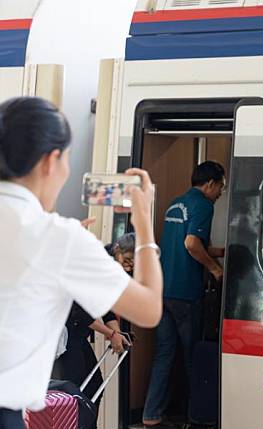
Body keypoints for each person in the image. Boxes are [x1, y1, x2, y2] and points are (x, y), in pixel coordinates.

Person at [0, 96, 162, 429]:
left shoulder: (54, 234)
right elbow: (147, 308)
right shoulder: (59, 238)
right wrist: (144, 224)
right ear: (51, 160)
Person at [143, 161, 226, 428]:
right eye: (221, 187)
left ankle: (151, 414)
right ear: (210, 184)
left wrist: (225, 252)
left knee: (164, 353)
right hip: (185, 292)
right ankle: (196, 417)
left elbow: (192, 243)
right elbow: (191, 244)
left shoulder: (175, 203)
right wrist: (215, 269)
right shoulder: (203, 205)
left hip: (162, 290)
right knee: (193, 357)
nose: (221, 193)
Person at [53, 233, 136, 411]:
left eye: (133, 265)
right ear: (117, 250)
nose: (128, 269)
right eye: (127, 261)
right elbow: (82, 313)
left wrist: (117, 333)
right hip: (63, 328)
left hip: (76, 329)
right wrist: (111, 334)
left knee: (94, 384)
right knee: (75, 390)